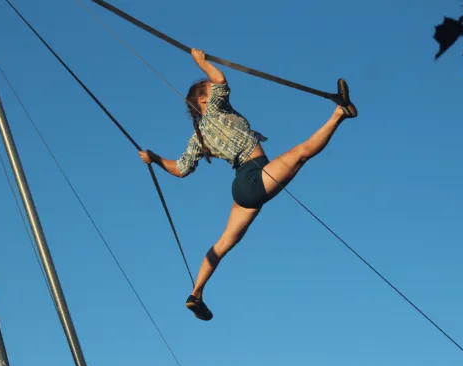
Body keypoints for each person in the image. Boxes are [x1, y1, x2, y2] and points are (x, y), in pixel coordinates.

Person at [139, 48, 357, 321]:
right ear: (205, 100)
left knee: (223, 244)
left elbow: (180, 170)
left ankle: (196, 293)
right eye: (209, 90)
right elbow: (220, 81)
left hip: (243, 186)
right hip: (253, 175)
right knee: (302, 153)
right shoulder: (215, 108)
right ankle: (340, 113)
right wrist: (202, 63)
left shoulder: (198, 138)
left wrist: (155, 158)